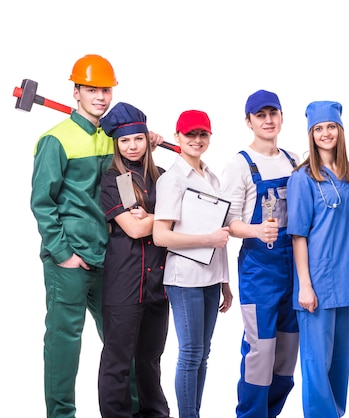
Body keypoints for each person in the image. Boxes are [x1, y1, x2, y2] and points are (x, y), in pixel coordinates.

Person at [30, 54, 123, 418]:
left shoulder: (113, 138)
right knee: (64, 344)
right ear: (76, 92)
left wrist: (144, 140)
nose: (100, 97)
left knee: (121, 344)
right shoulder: (55, 141)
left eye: (105, 90)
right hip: (69, 263)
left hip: (111, 260)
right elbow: (42, 203)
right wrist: (62, 253)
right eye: (92, 89)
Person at [221, 89, 300, 418]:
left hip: (294, 267)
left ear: (281, 116)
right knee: (260, 351)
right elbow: (228, 221)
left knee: (286, 351)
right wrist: (255, 230)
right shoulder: (239, 165)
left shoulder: (294, 161)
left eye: (273, 114)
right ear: (249, 121)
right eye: (261, 115)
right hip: (259, 270)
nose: (268, 120)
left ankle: (271, 413)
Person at [152, 110, 233, 418]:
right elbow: (161, 236)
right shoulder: (171, 180)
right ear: (177, 137)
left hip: (212, 278)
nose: (196, 140)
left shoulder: (211, 176)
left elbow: (220, 233)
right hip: (184, 278)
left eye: (202, 134)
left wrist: (225, 281)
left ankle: (193, 412)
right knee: (190, 353)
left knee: (204, 354)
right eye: (190, 134)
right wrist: (207, 240)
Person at [286, 101, 349, 418]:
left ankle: (337, 414)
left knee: (341, 361)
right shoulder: (303, 178)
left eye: (331, 127)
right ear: (311, 135)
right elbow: (298, 235)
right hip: (315, 280)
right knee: (317, 363)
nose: (325, 133)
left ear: (340, 130)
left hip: (347, 280)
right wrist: (305, 285)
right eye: (318, 129)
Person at [97, 102, 171, 418]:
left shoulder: (164, 177)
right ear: (116, 144)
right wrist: (163, 219)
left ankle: (155, 413)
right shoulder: (115, 179)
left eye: (138, 139)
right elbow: (135, 228)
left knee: (150, 359)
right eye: (125, 141)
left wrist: (153, 215)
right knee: (118, 360)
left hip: (159, 284)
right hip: (125, 283)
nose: (132, 146)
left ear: (147, 139)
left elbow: (186, 218)